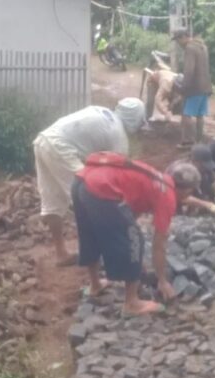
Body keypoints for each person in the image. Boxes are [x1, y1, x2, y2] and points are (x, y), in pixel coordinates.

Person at [72, 153, 200, 316]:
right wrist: (162, 280)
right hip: (100, 188)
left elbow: (130, 212)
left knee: (91, 234)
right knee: (135, 240)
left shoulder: (156, 179)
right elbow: (159, 244)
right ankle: (132, 303)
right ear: (187, 189)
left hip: (81, 181)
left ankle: (95, 285)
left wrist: (136, 261)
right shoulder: (167, 196)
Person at [33, 98, 146, 266]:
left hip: (43, 141)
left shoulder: (103, 112)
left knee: (53, 200)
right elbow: (116, 177)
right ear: (135, 119)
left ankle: (61, 253)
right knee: (89, 199)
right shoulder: (118, 136)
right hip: (62, 149)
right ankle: (98, 255)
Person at [173, 30, 213, 147]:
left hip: (195, 87)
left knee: (186, 114)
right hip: (205, 86)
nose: (178, 43)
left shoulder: (189, 48)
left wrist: (184, 87)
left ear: (184, 37)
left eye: (178, 40)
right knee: (200, 115)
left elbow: (189, 70)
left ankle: (188, 141)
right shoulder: (202, 46)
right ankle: (199, 141)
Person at [183, 144, 215, 215]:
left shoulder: (207, 171)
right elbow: (183, 197)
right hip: (184, 212)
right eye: (203, 165)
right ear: (195, 161)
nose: (205, 168)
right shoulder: (183, 173)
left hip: (203, 208)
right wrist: (207, 204)